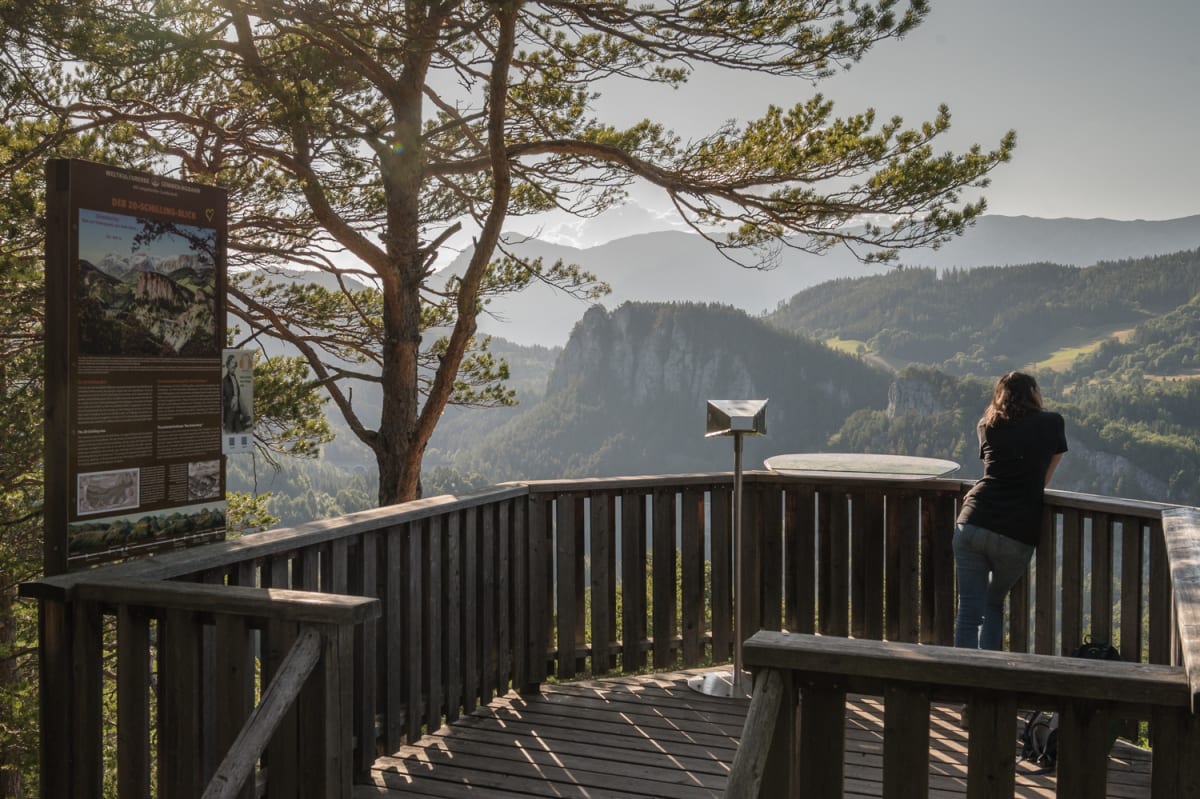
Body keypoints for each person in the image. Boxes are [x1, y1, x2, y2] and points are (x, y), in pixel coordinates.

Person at [953, 371, 1067, 651]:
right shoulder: (1053, 423)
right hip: (1017, 530)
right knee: (992, 605)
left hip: (973, 520)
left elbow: (993, 471)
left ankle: (959, 681)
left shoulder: (987, 425)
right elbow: (1041, 479)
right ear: (1034, 394)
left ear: (999, 395)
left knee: (968, 610)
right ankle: (988, 685)